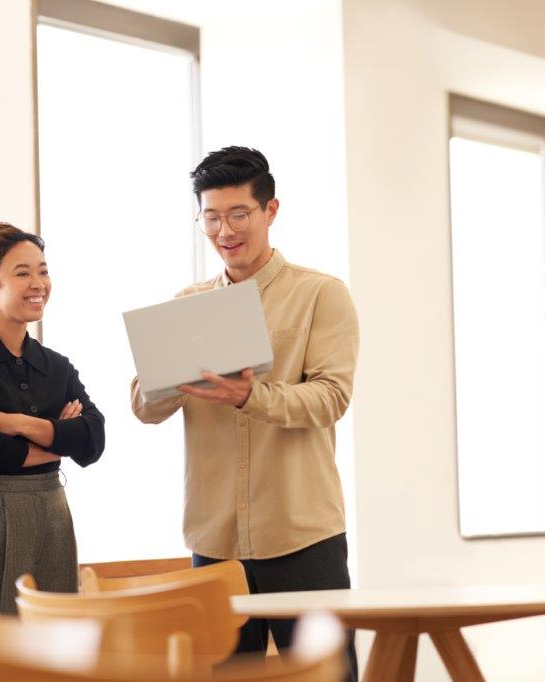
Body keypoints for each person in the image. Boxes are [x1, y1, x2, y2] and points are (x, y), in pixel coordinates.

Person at [131, 146, 359, 680]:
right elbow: (143, 406)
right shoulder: (187, 305)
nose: (224, 231)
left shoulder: (320, 294)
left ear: (270, 210)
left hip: (302, 535)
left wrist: (250, 396)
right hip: (214, 541)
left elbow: (332, 397)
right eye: (210, 218)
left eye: (238, 214)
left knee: (329, 677)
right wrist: (173, 376)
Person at [0, 223, 105, 614]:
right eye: (23, 273)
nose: (38, 284)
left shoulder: (56, 365)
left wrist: (18, 425)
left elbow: (93, 439)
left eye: (43, 271)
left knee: (51, 641)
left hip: (52, 513)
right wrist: (57, 439)